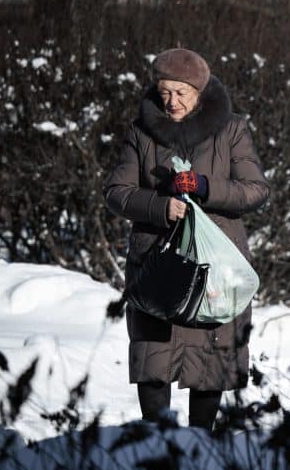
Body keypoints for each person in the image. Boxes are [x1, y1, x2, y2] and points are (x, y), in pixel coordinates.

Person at [104, 48, 270, 431]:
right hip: (157, 267)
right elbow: (116, 191)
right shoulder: (140, 133)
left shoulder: (231, 130)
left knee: (209, 366)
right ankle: (155, 447)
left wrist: (206, 187)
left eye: (181, 92)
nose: (171, 101)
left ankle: (201, 448)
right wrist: (161, 207)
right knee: (153, 362)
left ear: (201, 91)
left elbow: (256, 190)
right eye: (164, 91)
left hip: (216, 268)